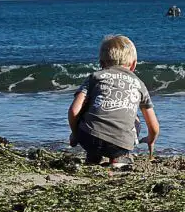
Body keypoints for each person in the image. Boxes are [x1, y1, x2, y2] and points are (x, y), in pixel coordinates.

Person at [68, 35, 159, 167]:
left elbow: (73, 110)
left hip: (88, 139)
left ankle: (93, 155)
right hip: (119, 144)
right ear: (133, 65)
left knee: (88, 108)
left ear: (101, 63)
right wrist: (151, 140)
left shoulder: (95, 77)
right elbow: (154, 126)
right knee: (135, 118)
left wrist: (76, 134)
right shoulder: (139, 84)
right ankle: (119, 158)